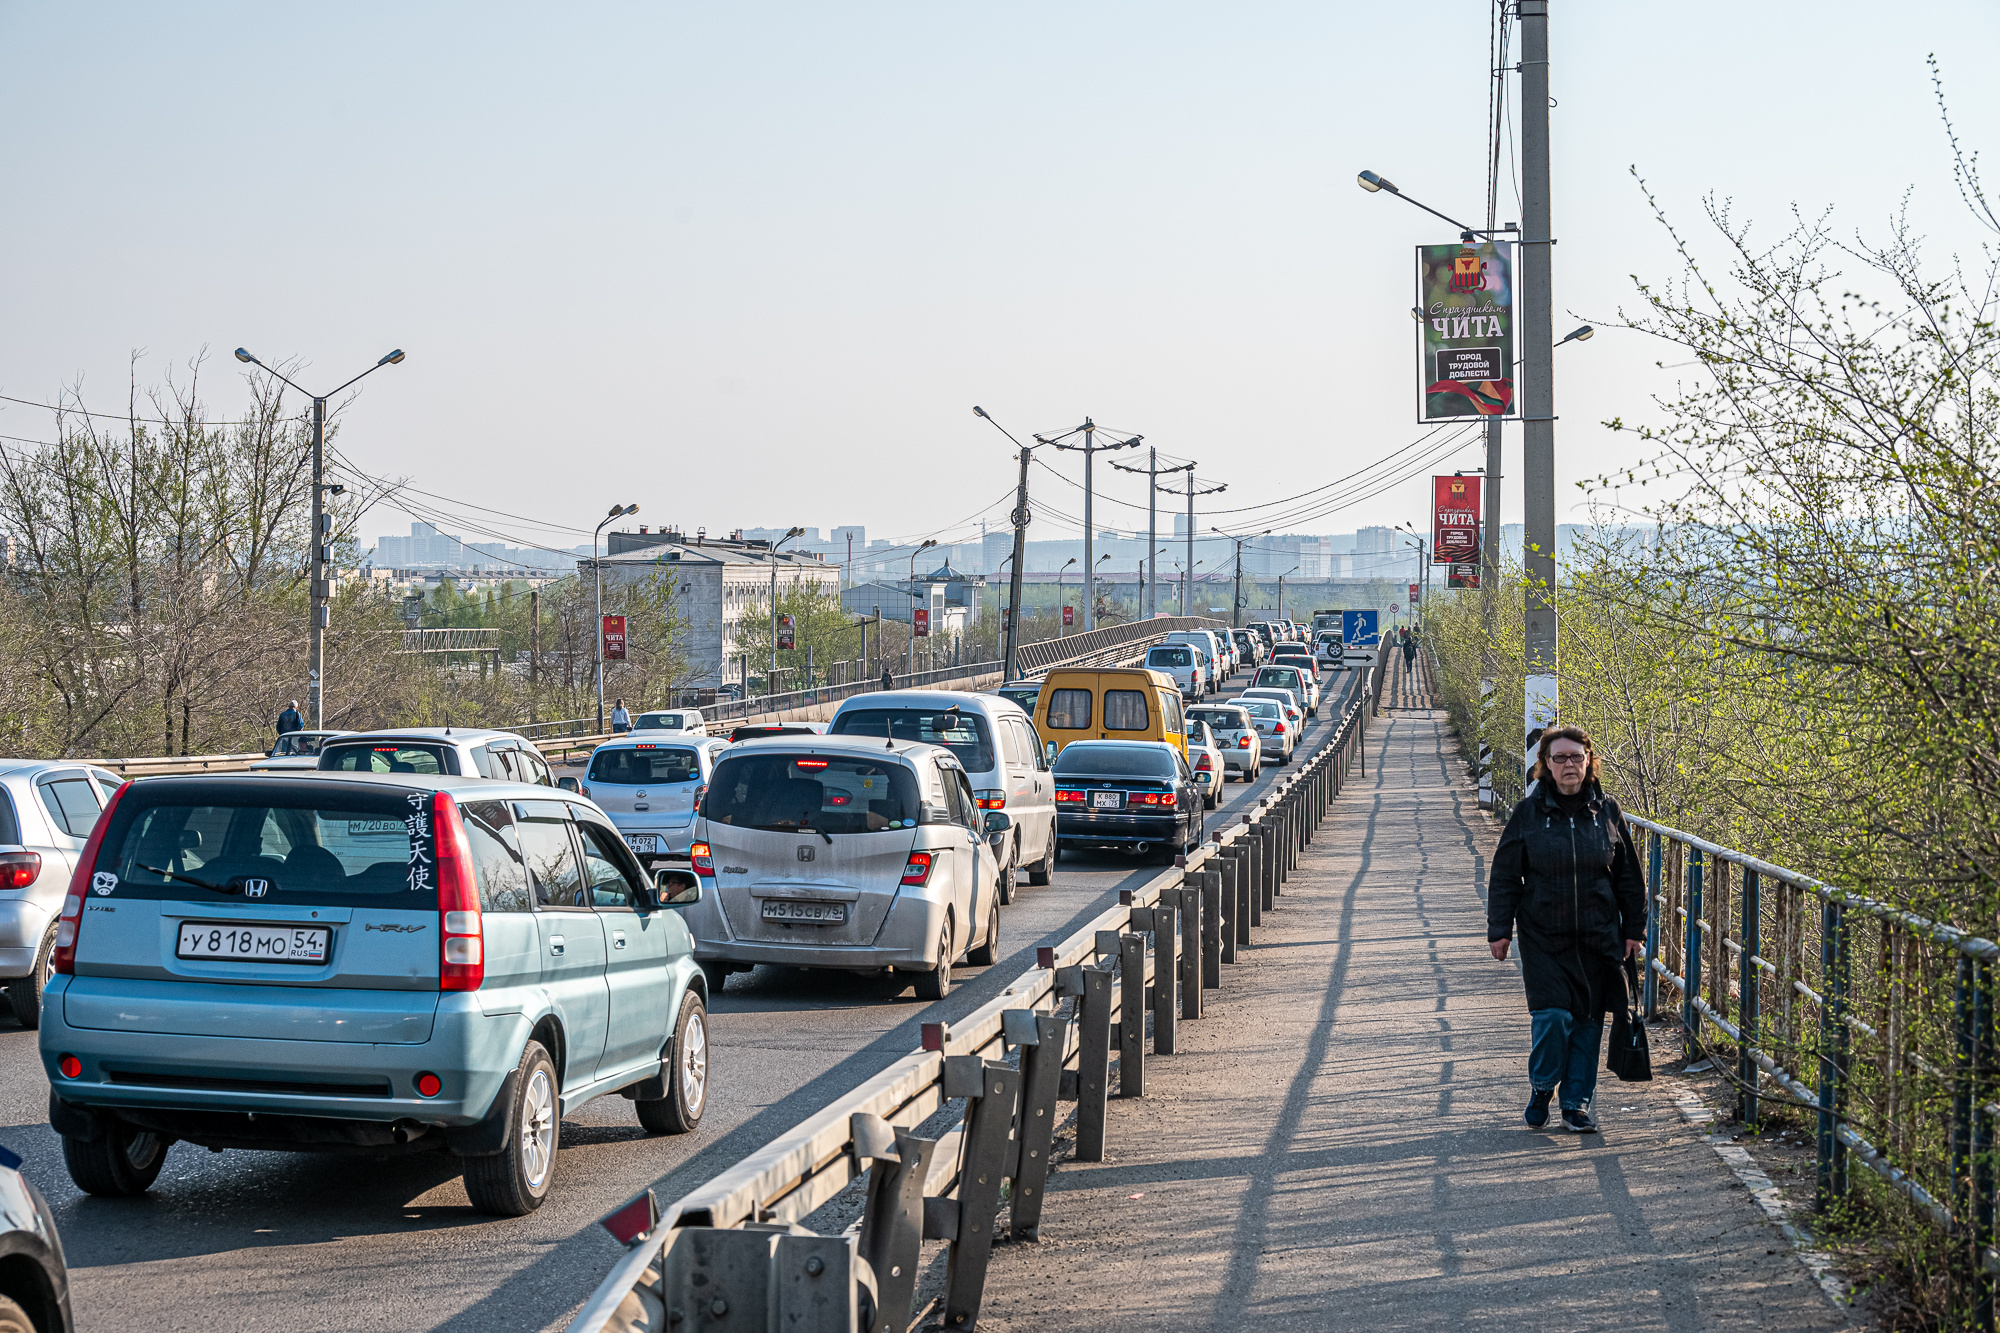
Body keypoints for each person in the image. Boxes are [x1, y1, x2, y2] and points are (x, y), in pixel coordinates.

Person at [1486, 725, 1645, 1133]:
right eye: (1560, 758)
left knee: (1589, 1022)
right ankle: (1542, 1086)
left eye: (1576, 757)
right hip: (1544, 937)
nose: (1569, 765)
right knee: (1554, 1017)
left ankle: (1576, 1105)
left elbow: (1629, 877)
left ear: (1589, 761)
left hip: (1598, 936)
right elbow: (1506, 874)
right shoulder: (1528, 814)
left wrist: (1634, 930)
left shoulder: (1607, 811)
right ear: (1546, 765)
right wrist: (1499, 929)